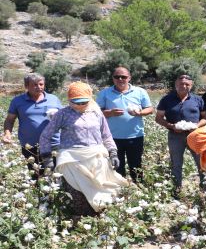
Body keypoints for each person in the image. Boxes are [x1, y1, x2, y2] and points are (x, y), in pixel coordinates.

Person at [39, 82, 127, 215]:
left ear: (90, 99)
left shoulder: (97, 113)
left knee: (101, 190)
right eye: (76, 102)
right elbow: (46, 136)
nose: (79, 105)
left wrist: (113, 152)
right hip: (71, 160)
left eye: (83, 102)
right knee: (77, 193)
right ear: (69, 100)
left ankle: (101, 222)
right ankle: (80, 222)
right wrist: (47, 158)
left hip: (96, 158)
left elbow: (106, 135)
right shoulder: (62, 114)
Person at [96, 67, 153, 182]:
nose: (120, 79)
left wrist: (139, 113)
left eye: (124, 77)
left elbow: (150, 109)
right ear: (113, 78)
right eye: (117, 77)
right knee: (117, 166)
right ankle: (120, 191)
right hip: (112, 138)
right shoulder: (104, 93)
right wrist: (110, 113)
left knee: (136, 165)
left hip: (135, 136)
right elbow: (96, 113)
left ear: (129, 78)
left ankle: (138, 189)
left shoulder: (140, 92)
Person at [155, 75, 206, 197]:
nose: (184, 86)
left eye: (187, 84)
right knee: (176, 163)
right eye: (181, 84)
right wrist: (171, 126)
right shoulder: (166, 99)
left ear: (191, 85)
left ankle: (204, 189)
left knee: (201, 162)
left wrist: (196, 126)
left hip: (195, 135)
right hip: (175, 136)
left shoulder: (197, 99)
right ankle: (176, 191)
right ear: (176, 84)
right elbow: (158, 118)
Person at [2, 73, 63, 177]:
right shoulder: (17, 101)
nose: (38, 87)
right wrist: (7, 133)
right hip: (30, 145)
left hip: (53, 144)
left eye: (41, 84)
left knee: (56, 174)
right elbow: (9, 120)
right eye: (34, 84)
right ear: (26, 86)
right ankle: (39, 193)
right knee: (36, 175)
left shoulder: (54, 99)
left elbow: (64, 119)